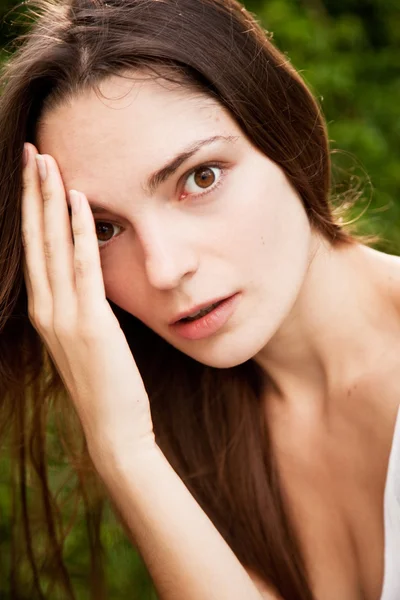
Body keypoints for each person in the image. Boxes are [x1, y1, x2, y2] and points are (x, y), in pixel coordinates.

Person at [0, 0, 398, 598]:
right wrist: (125, 449)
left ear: (284, 131)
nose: (164, 269)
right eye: (103, 229)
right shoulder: (193, 421)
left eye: (200, 177)